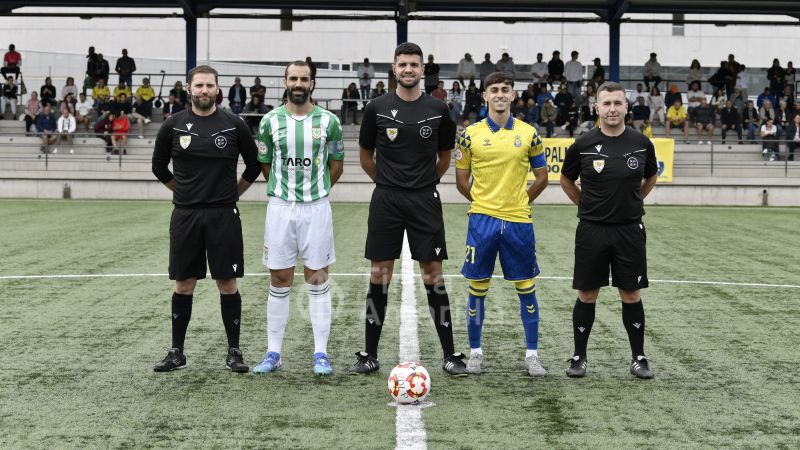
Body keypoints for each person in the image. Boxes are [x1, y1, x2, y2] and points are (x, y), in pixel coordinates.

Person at [351, 42, 468, 376]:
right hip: (386, 199)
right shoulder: (376, 107)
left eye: (414, 65)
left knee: (433, 274)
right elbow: (365, 156)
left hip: (424, 199)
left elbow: (445, 156)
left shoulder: (438, 109)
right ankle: (369, 353)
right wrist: (388, 182)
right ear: (393, 68)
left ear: (422, 70)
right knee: (380, 274)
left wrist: (423, 183)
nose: (408, 70)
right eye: (403, 64)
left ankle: (449, 353)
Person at [151, 65, 261, 373]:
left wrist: (233, 194)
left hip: (223, 215)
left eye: (209, 85)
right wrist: (182, 191)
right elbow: (159, 167)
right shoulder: (173, 125)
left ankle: (234, 352)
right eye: (198, 85)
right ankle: (176, 352)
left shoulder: (233, 124)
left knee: (227, 282)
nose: (204, 90)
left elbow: (253, 166)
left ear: (217, 89)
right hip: (185, 215)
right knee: (184, 283)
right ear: (189, 89)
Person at [251, 60, 345, 376]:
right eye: (293, 78)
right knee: (279, 279)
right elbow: (265, 163)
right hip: (280, 208)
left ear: (312, 83)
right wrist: (287, 190)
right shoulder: (269, 121)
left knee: (317, 278)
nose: (299, 83)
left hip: (316, 209)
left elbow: (337, 164)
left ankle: (321, 353)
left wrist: (315, 190)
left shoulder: (329, 121)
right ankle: (273, 353)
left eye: (304, 78)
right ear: (285, 82)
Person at [560, 81, 658, 380]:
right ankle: (579, 357)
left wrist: (634, 200)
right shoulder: (583, 144)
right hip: (592, 230)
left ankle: (639, 358)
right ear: (597, 107)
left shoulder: (642, 143)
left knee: (631, 294)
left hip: (629, 230)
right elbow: (566, 181)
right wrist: (586, 206)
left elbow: (651, 176)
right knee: (587, 294)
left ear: (626, 107)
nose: (612, 109)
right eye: (607, 104)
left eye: (617, 103)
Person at [453, 71, 548, 377]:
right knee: (478, 287)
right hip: (482, 221)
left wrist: (520, 200)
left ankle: (532, 356)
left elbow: (542, 177)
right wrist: (484, 201)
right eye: (493, 90)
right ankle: (476, 353)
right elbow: (461, 181)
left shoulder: (529, 133)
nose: (499, 94)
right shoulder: (469, 135)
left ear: (512, 95)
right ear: (485, 96)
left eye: (505, 90)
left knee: (525, 287)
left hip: (519, 221)